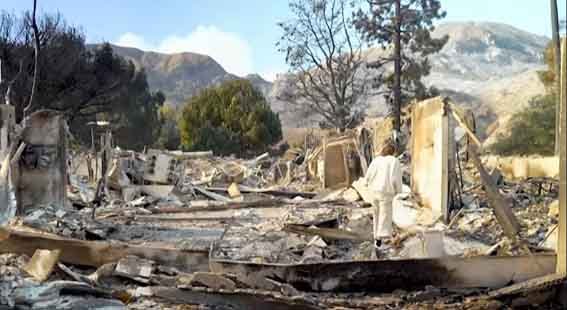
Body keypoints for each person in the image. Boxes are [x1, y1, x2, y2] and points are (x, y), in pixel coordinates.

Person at [364, 140, 402, 249]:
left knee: (376, 215)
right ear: (393, 151)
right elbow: (396, 178)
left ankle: (376, 239)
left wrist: (366, 183)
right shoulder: (394, 161)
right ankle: (382, 241)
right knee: (385, 217)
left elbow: (368, 175)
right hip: (386, 192)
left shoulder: (376, 160)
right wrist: (398, 191)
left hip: (374, 191)